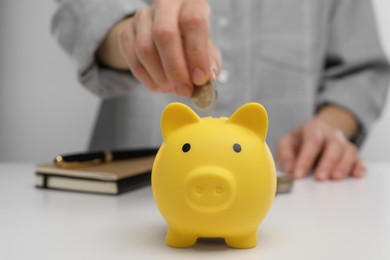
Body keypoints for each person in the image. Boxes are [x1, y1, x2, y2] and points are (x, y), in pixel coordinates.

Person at [52, 0, 389, 181]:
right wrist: (132, 38)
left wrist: (329, 127)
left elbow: (362, 72)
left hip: (293, 193)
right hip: (131, 198)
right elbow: (81, 12)